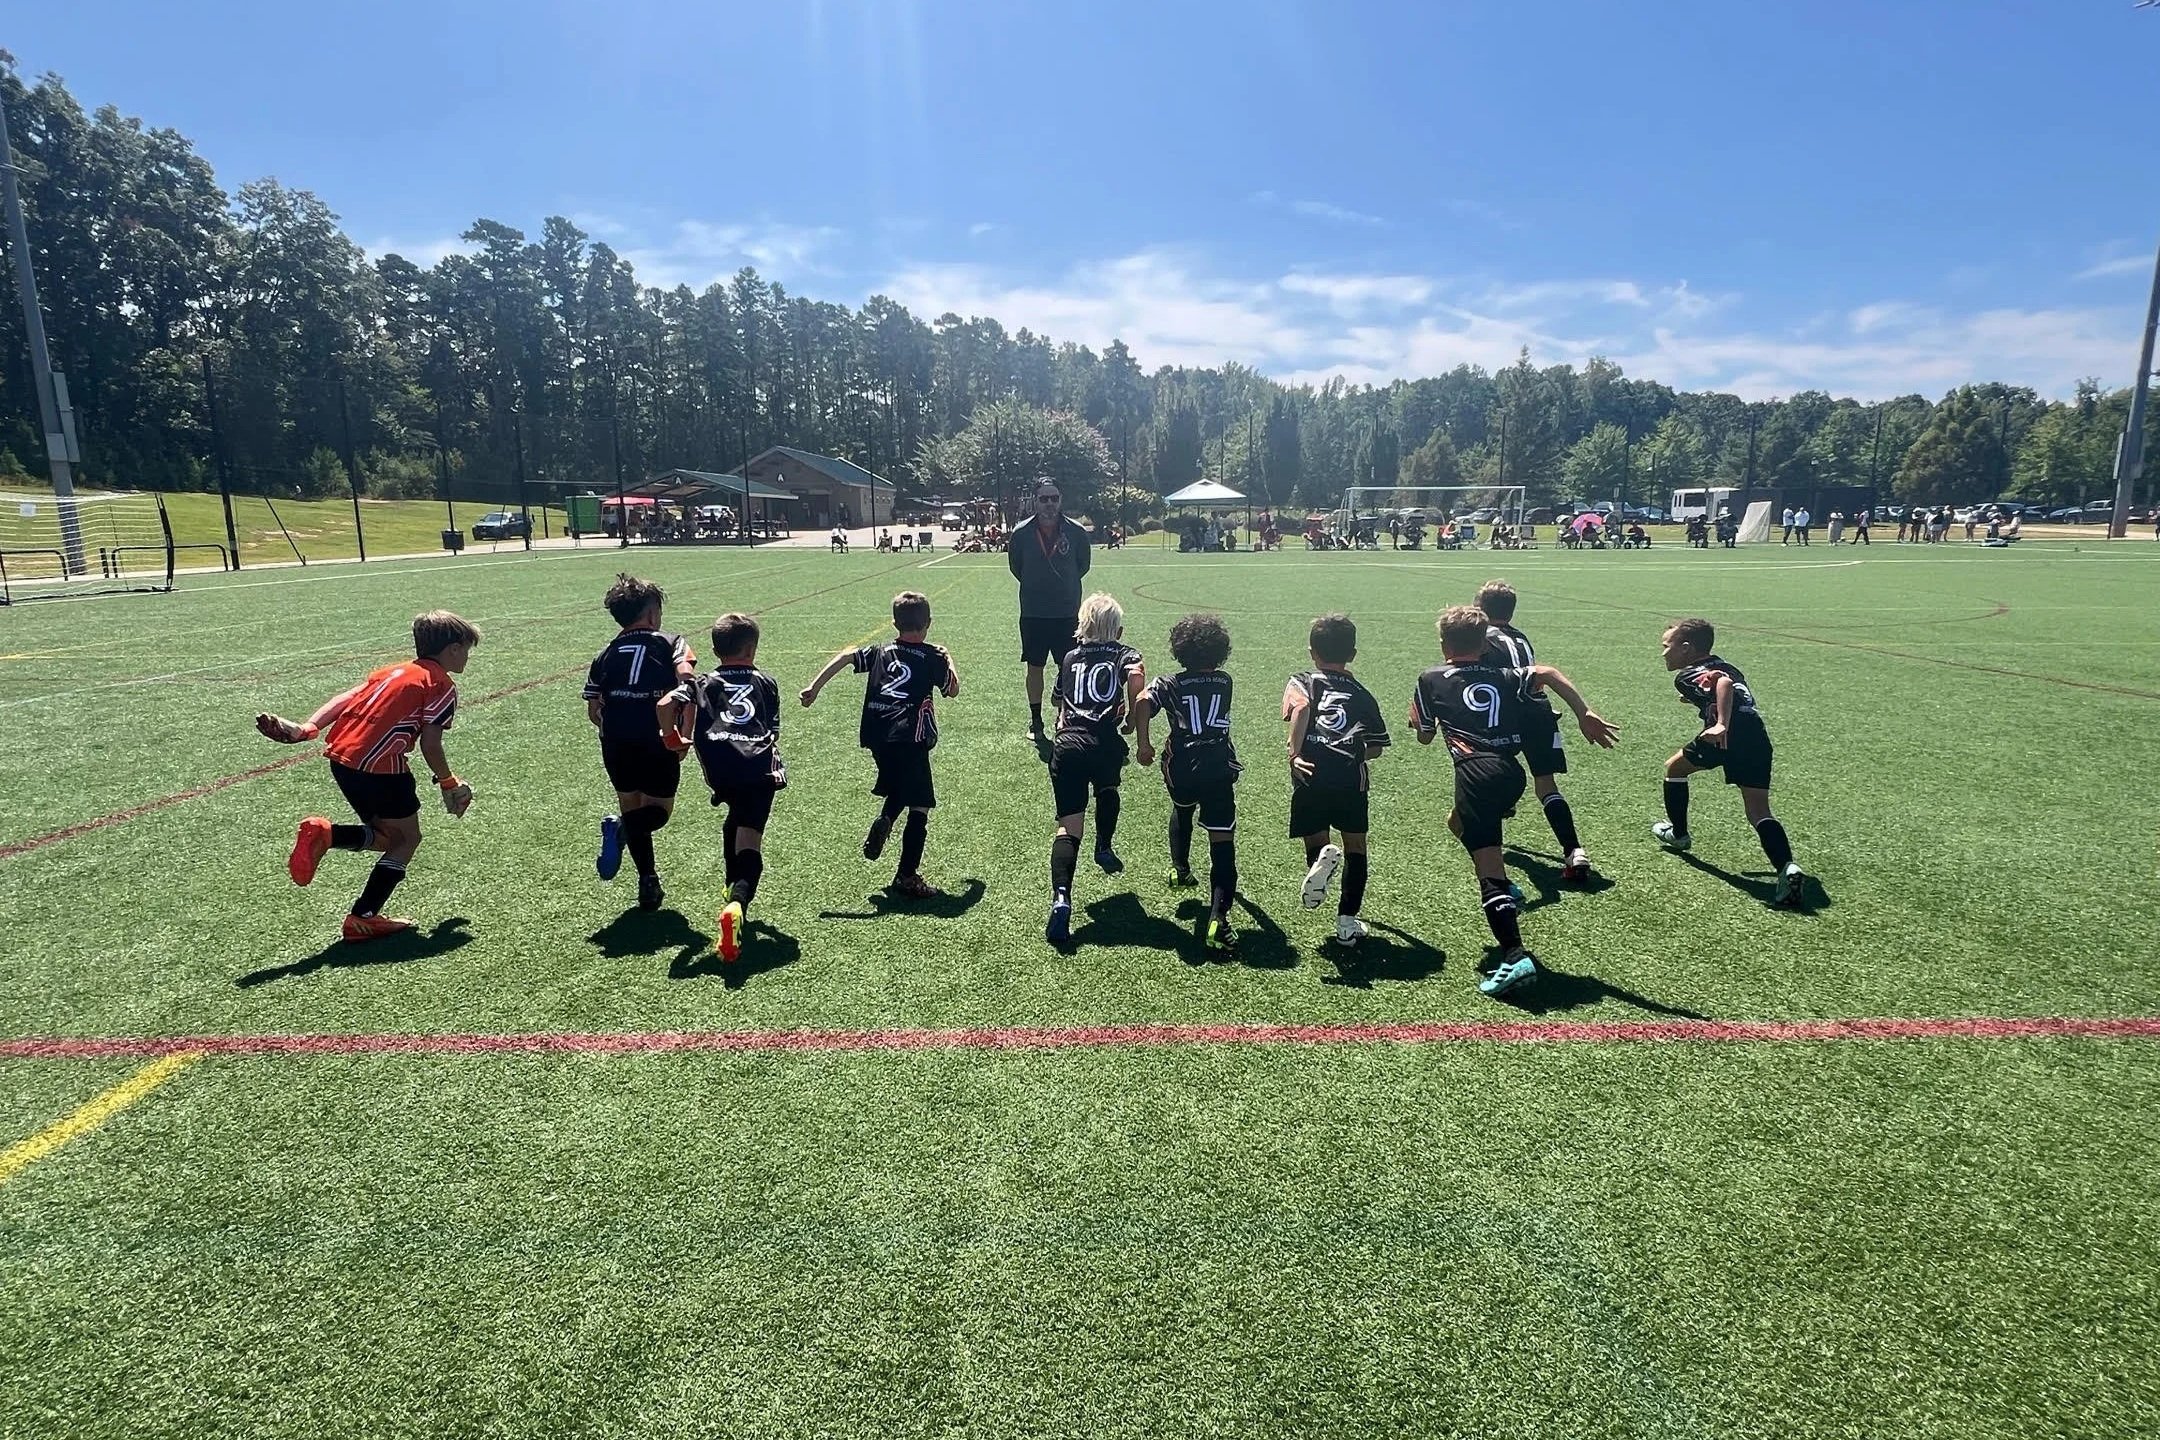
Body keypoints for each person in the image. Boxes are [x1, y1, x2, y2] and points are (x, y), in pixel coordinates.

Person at [1412, 605, 1619, 999]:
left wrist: (1420, 721)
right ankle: (1507, 891)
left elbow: (1423, 735)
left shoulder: (1431, 678)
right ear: (1485, 645)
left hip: (1475, 773)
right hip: (1510, 773)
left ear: (1443, 644)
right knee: (1457, 823)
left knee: (1487, 868)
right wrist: (1583, 711)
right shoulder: (1504, 675)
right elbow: (1547, 672)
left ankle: (1513, 956)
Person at [255, 611, 480, 942]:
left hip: (342, 759)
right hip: (382, 767)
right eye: (467, 650)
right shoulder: (441, 684)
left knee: (387, 837)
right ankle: (363, 917)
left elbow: (346, 698)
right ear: (454, 649)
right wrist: (449, 782)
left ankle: (328, 837)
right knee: (406, 840)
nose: (467, 657)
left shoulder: (392, 671)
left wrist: (308, 728)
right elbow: (431, 744)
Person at [801, 591, 960, 901]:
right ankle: (907, 876)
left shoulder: (880, 651)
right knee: (920, 804)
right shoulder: (931, 657)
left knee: (900, 786)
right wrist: (949, 657)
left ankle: (886, 818)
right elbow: (952, 690)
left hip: (876, 733)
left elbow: (847, 656)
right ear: (928, 623)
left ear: (894, 623)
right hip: (910, 735)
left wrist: (814, 687)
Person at [1652, 617, 1806, 908]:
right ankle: (1787, 867)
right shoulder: (1727, 664)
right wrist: (1702, 703)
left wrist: (1721, 723)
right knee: (1759, 810)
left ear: (1686, 648)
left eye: (1666, 646)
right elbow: (1728, 682)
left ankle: (1679, 834)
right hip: (1756, 735)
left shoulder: (1688, 674)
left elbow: (1722, 684)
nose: (1663, 653)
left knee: (1675, 768)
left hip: (1726, 736)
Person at [660, 612, 785, 964]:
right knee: (749, 836)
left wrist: (675, 738)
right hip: (758, 767)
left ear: (716, 649)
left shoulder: (700, 682)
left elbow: (666, 704)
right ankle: (737, 905)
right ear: (751, 649)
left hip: (721, 768)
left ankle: (732, 889)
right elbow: (772, 730)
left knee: (734, 822)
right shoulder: (767, 682)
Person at [583, 574, 699, 911]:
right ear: (651, 614)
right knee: (658, 812)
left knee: (632, 803)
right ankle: (621, 830)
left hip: (616, 740)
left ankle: (648, 882)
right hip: (656, 736)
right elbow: (687, 683)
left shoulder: (604, 654)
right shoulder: (672, 642)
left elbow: (594, 709)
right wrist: (684, 735)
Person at [1041, 592, 1147, 948]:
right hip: (1103, 742)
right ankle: (1103, 845)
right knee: (1107, 790)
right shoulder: (1123, 653)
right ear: (1116, 629)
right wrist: (1132, 717)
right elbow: (1136, 678)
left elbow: (1058, 699)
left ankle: (1061, 898)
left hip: (1068, 743)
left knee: (1068, 825)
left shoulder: (1070, 656)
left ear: (1082, 626)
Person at [1132, 614, 1241, 954]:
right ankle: (1218, 919)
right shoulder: (1225, 681)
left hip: (1181, 765)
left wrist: (1144, 744)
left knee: (1182, 808)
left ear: (1179, 651)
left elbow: (1141, 702)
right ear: (1220, 651)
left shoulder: (1169, 683)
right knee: (1222, 840)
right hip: (1218, 764)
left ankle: (1180, 869)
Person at [1475, 581, 1595, 882]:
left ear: (1479, 608)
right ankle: (1573, 850)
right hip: (1540, 712)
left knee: (1490, 776)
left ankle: (1491, 852)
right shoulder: (1521, 638)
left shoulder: (1482, 639)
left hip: (1504, 716)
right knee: (1547, 785)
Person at [1283, 613, 1390, 944]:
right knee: (1355, 846)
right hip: (1350, 779)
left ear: (1312, 651)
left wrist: (1294, 753)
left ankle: (1319, 863)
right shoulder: (1362, 694)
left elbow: (1299, 709)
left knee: (1318, 840)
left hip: (1310, 771)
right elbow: (1376, 748)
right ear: (1352, 654)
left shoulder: (1302, 681)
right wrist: (1354, 751)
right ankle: (1346, 923)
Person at [1007, 480, 1092, 744]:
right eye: (1044, 499)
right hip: (1033, 612)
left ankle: (1064, 717)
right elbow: (1016, 567)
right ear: (1035, 501)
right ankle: (1035, 720)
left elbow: (1083, 566)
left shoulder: (1076, 532)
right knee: (1035, 666)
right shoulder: (1021, 533)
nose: (1049, 504)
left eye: (1054, 498)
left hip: (1067, 612)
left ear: (1060, 499)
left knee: (1068, 667)